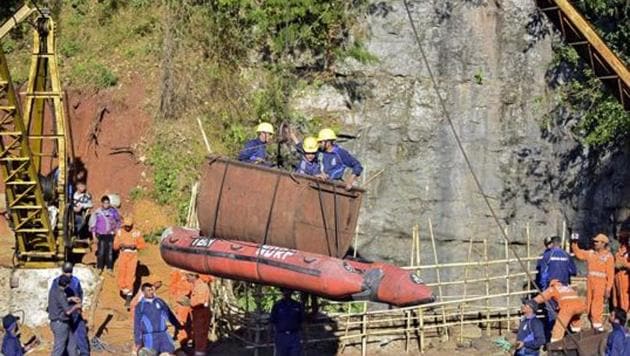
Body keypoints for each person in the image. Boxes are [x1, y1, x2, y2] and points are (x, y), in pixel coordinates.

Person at [535, 235, 576, 341]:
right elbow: (573, 271)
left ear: (552, 243)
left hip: (552, 289)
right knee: (563, 312)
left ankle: (551, 339)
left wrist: (544, 288)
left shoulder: (547, 255)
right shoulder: (567, 255)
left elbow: (543, 275)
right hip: (564, 289)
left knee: (551, 313)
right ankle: (566, 337)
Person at [571, 232, 615, 331]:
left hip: (601, 284)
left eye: (597, 242)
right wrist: (574, 242)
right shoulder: (590, 253)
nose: (594, 243)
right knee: (589, 305)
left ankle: (597, 325)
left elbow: (611, 275)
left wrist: (608, 289)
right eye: (594, 241)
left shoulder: (608, 257)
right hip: (590, 283)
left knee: (597, 304)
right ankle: (592, 325)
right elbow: (578, 253)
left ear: (603, 243)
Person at [51, 262, 89, 356]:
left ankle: (83, 353)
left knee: (78, 335)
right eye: (67, 272)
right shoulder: (58, 282)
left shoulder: (73, 281)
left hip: (72, 313)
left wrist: (76, 303)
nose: (69, 274)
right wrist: (75, 305)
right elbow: (57, 298)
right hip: (64, 314)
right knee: (63, 341)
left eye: (70, 272)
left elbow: (79, 293)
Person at [134, 283, 180, 355]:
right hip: (150, 336)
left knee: (170, 352)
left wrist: (178, 325)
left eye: (152, 290)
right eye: (148, 290)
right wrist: (138, 342)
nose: (151, 292)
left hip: (163, 334)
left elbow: (169, 314)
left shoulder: (160, 301)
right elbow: (137, 325)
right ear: (143, 292)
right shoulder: (140, 306)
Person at [113, 215, 146, 308]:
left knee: (130, 275)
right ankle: (124, 290)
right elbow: (115, 246)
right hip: (123, 255)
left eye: (129, 226)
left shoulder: (136, 233)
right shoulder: (119, 232)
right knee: (121, 273)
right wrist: (120, 245)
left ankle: (129, 297)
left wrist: (135, 245)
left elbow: (142, 245)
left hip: (132, 255)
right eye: (126, 226)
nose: (127, 228)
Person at [48, 274, 82, 356]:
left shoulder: (54, 290)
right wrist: (76, 306)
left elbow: (58, 301)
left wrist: (70, 299)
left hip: (62, 323)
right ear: (67, 285)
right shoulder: (61, 294)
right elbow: (68, 312)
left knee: (72, 345)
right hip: (60, 324)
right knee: (59, 348)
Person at [88, 195, 122, 273]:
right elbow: (93, 225)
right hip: (101, 234)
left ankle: (109, 268)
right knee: (101, 251)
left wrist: (117, 230)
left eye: (108, 203)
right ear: (102, 203)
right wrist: (94, 236)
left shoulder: (113, 212)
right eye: (105, 203)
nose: (106, 204)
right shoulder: (97, 213)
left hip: (110, 234)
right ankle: (99, 267)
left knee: (110, 251)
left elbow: (118, 221)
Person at [183, 272, 212, 356]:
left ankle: (200, 353)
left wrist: (189, 302)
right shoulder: (196, 285)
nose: (186, 278)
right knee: (198, 334)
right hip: (198, 313)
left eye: (188, 276)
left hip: (201, 313)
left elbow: (200, 301)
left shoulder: (201, 286)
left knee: (200, 335)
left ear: (193, 276)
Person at [270, 289, 304, 356]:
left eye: (288, 290)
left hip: (294, 336)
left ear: (291, 292)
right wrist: (269, 337)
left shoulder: (297, 305)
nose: (287, 292)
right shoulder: (277, 305)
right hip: (281, 336)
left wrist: (305, 337)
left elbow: (302, 321)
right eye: (285, 290)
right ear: (282, 292)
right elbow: (271, 321)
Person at [614, 232, 630, 312]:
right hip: (617, 278)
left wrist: (624, 265)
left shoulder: (628, 252)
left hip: (626, 278)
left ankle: (625, 317)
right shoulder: (617, 252)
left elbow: (625, 264)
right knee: (618, 299)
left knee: (625, 299)